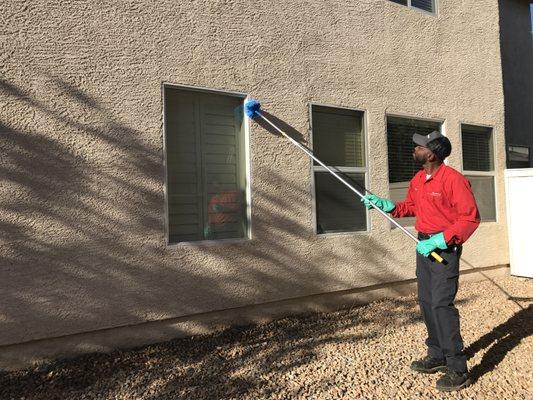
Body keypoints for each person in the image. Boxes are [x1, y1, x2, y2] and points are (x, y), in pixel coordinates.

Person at [361, 130, 480, 392]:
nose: (414, 149)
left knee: (441, 304)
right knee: (426, 301)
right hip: (422, 246)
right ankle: (436, 355)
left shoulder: (454, 181)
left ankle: (457, 368)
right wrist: (386, 205)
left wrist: (441, 240)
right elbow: (411, 207)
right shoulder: (419, 178)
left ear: (432, 153)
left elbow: (470, 218)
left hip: (442, 249)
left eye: (419, 147)